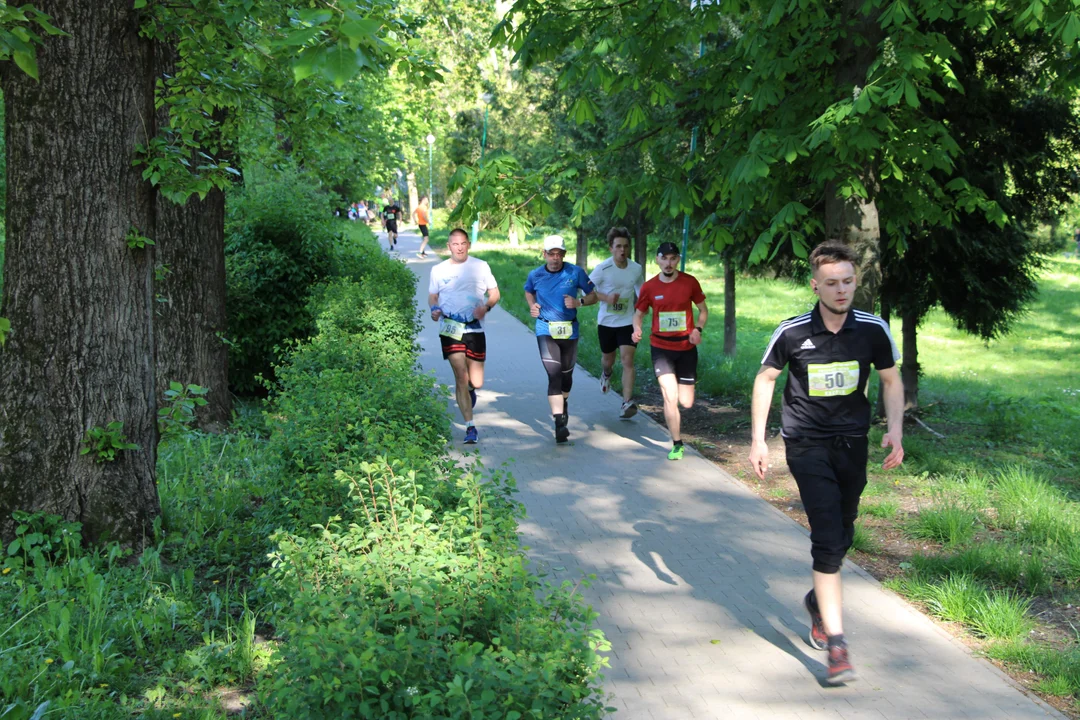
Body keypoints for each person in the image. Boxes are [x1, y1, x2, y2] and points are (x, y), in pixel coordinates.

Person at [749, 240, 904, 686]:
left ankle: (818, 602)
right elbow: (766, 380)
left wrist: (894, 429)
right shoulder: (793, 331)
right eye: (832, 283)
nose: (841, 291)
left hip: (852, 443)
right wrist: (758, 440)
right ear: (815, 285)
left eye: (848, 282)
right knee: (827, 537)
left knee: (845, 529)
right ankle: (837, 646)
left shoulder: (873, 330)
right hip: (805, 443)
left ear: (857, 281)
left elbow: (890, 381)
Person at [632, 242, 708, 460]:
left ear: (678, 260)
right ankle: (677, 443)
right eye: (664, 258)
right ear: (656, 259)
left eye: (673, 258)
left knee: (686, 401)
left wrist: (698, 329)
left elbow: (703, 310)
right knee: (669, 395)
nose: (668, 263)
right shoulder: (649, 287)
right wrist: (636, 328)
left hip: (686, 347)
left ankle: (678, 429)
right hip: (661, 347)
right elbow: (638, 314)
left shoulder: (689, 282)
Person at [428, 228, 500, 444]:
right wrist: (434, 309)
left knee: (475, 382)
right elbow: (433, 296)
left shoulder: (480, 266)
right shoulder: (438, 270)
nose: (459, 247)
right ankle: (470, 427)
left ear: (468, 244)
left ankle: (470, 390)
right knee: (460, 375)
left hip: (475, 328)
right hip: (450, 328)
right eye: (454, 244)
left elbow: (494, 293)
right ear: (448, 246)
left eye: (462, 243)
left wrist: (486, 307)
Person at [524, 235, 598, 444]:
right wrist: (533, 305)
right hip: (545, 328)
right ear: (544, 254)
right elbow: (529, 291)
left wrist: (579, 302)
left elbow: (594, 295)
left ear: (564, 254)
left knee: (566, 376)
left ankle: (563, 404)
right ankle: (559, 423)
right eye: (551, 254)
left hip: (569, 330)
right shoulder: (535, 274)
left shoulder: (575, 272)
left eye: (559, 254)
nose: (555, 258)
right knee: (554, 374)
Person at [590, 226, 645, 419]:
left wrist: (641, 317)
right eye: (619, 246)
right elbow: (586, 292)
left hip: (627, 321)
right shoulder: (602, 269)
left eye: (626, 246)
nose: (623, 250)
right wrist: (606, 298)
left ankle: (626, 402)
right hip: (606, 323)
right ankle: (606, 374)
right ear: (611, 248)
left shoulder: (636, 269)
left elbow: (642, 294)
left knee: (628, 360)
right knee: (608, 360)